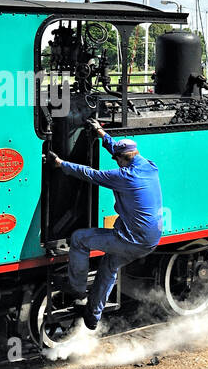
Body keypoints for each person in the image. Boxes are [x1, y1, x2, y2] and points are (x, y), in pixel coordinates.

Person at [48, 120, 163, 330]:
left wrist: (61, 164)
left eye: (115, 159)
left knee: (79, 239)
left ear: (121, 160)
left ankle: (79, 292)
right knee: (109, 264)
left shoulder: (125, 176)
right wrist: (102, 133)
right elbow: (121, 151)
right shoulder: (149, 166)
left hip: (132, 240)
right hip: (151, 238)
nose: (115, 161)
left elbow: (91, 174)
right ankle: (92, 317)